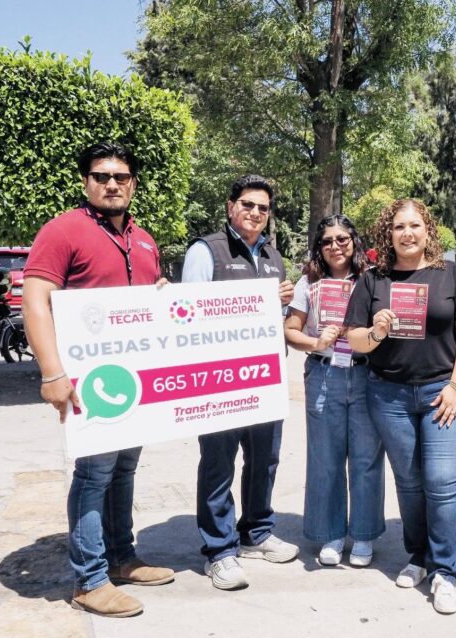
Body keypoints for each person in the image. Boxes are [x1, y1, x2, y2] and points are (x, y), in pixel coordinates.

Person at [23, 142, 174, 617]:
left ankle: (121, 557)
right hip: (90, 383)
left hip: (135, 381)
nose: (112, 184)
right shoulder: (62, 230)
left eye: (121, 176)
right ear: (86, 182)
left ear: (133, 183)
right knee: (93, 475)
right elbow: (35, 300)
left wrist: (161, 295)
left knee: (124, 470)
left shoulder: (144, 239)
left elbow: (144, 302)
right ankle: (89, 580)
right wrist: (52, 373)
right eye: (101, 175)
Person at [344, 199, 456, 614]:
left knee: (441, 480)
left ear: (427, 230)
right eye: (399, 226)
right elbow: (355, 339)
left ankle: (445, 571)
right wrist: (376, 331)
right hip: (390, 395)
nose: (407, 233)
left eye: (415, 225)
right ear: (388, 234)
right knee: (408, 480)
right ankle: (418, 555)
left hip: (444, 392)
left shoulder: (450, 274)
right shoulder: (373, 280)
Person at [181, 174, 298, 590]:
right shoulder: (205, 250)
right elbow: (188, 312)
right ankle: (219, 550)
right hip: (219, 379)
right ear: (231, 206)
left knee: (264, 459)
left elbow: (277, 320)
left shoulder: (272, 254)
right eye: (247, 204)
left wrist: (281, 305)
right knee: (218, 463)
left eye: (263, 208)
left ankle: (256, 533)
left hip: (264, 376)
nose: (255, 213)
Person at [284, 215, 385, 567]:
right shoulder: (308, 282)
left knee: (366, 459)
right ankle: (331, 533)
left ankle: (364, 534)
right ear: (319, 247)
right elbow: (290, 330)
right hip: (324, 372)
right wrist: (316, 341)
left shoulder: (371, 279)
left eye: (342, 239)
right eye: (327, 241)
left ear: (354, 242)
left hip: (366, 373)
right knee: (325, 459)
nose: (335, 246)